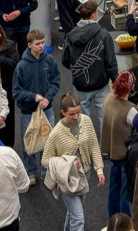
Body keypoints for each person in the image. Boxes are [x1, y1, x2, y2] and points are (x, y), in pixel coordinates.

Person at [43, 93, 105, 231]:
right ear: (63, 112)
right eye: (72, 114)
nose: (76, 117)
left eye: (78, 112)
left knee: (74, 213)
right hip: (66, 180)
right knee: (78, 219)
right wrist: (68, 164)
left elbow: (94, 145)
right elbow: (45, 160)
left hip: (85, 174)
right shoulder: (56, 133)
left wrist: (99, 170)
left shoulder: (87, 121)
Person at [63, 0, 119, 134]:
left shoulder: (71, 35)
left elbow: (65, 60)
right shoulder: (104, 35)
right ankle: (105, 149)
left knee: (80, 119)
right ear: (94, 15)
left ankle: (83, 149)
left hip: (81, 83)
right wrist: (115, 79)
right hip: (101, 83)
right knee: (105, 118)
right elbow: (110, 61)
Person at [12, 29, 60, 184]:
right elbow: (16, 92)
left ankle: (46, 171)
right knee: (29, 143)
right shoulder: (21, 66)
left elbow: (56, 82)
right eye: (37, 43)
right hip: (28, 111)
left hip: (47, 108)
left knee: (48, 141)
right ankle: (30, 171)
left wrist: (47, 97)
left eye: (42, 42)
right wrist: (34, 97)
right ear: (29, 45)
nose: (41, 46)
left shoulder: (49, 60)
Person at [103, 71, 138, 216]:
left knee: (113, 188)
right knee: (126, 191)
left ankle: (113, 218)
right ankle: (125, 222)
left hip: (111, 151)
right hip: (125, 155)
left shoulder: (108, 99)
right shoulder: (130, 109)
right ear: (131, 87)